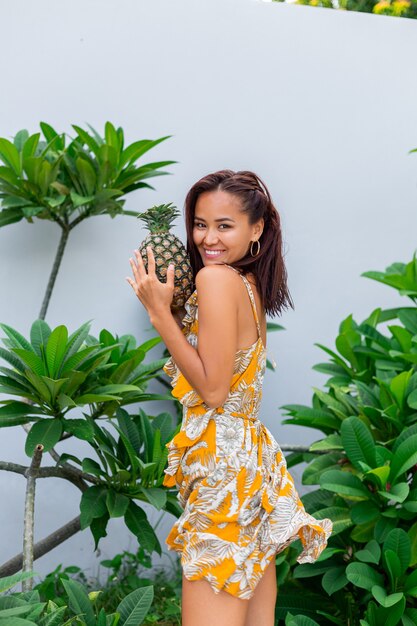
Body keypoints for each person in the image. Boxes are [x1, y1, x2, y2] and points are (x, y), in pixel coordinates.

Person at [126, 170, 333, 626]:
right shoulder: (246, 285)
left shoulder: (217, 281)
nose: (207, 238)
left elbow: (215, 390)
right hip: (247, 462)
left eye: (224, 225)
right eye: (200, 224)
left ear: (256, 229)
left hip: (224, 471)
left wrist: (160, 314)